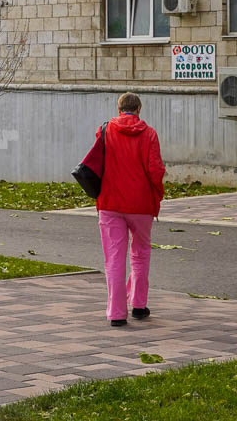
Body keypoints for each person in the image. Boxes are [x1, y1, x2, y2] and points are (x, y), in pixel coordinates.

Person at [94, 92, 165, 328]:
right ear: (139, 109)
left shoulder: (104, 130)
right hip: (141, 204)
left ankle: (116, 313)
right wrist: (157, 193)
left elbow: (97, 163)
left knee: (114, 258)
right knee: (141, 252)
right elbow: (155, 170)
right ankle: (138, 305)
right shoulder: (149, 134)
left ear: (119, 108)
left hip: (110, 203)